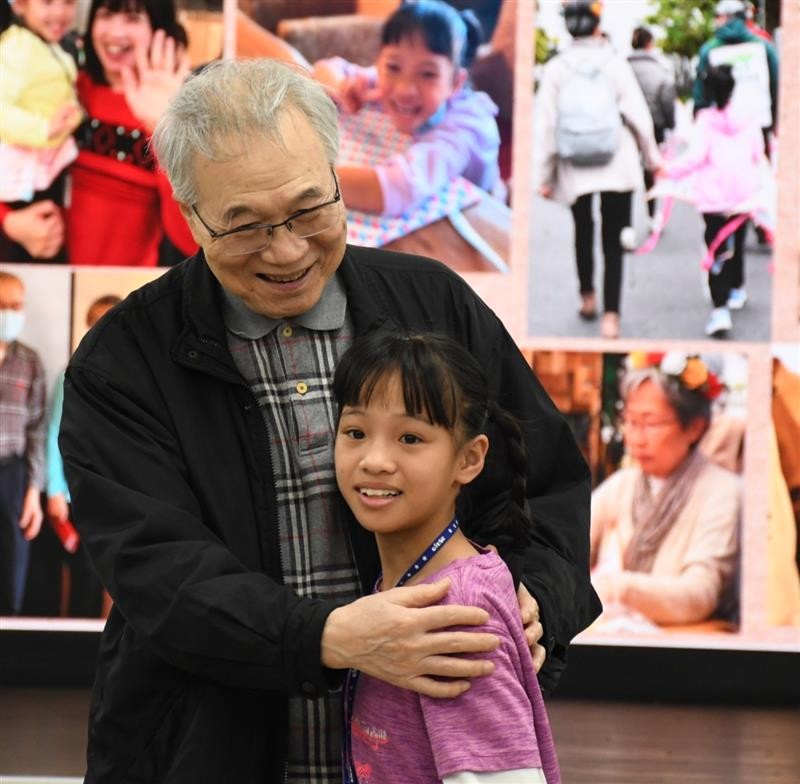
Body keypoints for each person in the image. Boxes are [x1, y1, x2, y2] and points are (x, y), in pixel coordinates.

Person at [59, 58, 598, 783]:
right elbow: (158, 569)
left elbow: (546, 484)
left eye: (310, 210)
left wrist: (539, 600)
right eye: (244, 226)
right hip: (202, 753)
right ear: (189, 215)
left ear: (338, 177)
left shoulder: (432, 305)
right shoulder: (124, 361)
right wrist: (327, 637)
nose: (286, 251)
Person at [334, 330, 560, 783]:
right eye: (356, 432)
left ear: (469, 459)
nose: (374, 460)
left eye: (410, 438)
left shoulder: (459, 613)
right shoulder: (426, 584)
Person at [0, 0, 198, 266]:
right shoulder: (67, 91)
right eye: (105, 15)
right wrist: (9, 221)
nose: (115, 32)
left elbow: (193, 240)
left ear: (158, 27)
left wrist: (166, 132)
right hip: (47, 277)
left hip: (127, 287)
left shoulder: (180, 111)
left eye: (132, 18)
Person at [533, 0, 662, 339]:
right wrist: (653, 159)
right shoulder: (615, 64)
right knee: (613, 239)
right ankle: (611, 318)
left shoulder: (556, 68)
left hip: (575, 164)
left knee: (583, 230)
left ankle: (588, 296)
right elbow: (639, 117)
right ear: (597, 25)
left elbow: (546, 127)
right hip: (616, 161)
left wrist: (544, 176)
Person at [311, 0, 501, 216]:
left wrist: (308, 180)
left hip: (481, 217)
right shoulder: (379, 81)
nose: (404, 90)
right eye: (393, 67)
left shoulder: (465, 127)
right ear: (379, 63)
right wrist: (343, 87)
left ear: (455, 83)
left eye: (428, 74)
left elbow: (398, 188)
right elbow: (325, 68)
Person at [590, 352, 740, 626]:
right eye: (630, 421)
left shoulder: (724, 492)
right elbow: (567, 543)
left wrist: (615, 587)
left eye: (649, 423)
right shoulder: (622, 484)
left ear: (694, 428)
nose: (636, 438)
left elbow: (700, 594)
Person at [663, 65, 767, 338]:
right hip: (743, 194)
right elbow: (758, 153)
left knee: (716, 247)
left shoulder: (706, 121)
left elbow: (695, 157)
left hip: (714, 196)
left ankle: (720, 309)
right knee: (738, 242)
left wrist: (668, 171)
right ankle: (737, 288)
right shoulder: (748, 118)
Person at [44, 293, 120, 617]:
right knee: (85, 576)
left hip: (122, 493)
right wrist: (55, 491)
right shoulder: (71, 373)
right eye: (95, 323)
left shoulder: (141, 378)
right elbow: (53, 434)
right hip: (79, 492)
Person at [0, 0, 82, 263]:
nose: (59, 12)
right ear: (20, 5)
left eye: (68, 2)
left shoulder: (47, 44)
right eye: (47, 2)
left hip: (45, 158)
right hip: (23, 163)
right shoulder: (15, 49)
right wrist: (44, 129)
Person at [0, 270, 46, 615]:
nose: (9, 313)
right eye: (2, 305)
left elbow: (37, 430)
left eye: (15, 305)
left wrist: (33, 491)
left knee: (12, 559)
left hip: (12, 473)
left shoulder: (30, 361)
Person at [693, 0, 779, 154]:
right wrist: (774, 121)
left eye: (717, 17)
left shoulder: (708, 50)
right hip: (759, 124)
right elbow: (776, 87)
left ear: (725, 17)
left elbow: (701, 94)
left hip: (719, 132)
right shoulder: (764, 47)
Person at [627, 25, 675, 226]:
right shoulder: (659, 69)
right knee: (650, 168)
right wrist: (670, 124)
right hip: (654, 124)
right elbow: (667, 99)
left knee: (627, 168)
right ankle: (652, 214)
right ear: (649, 43)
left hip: (627, 125)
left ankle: (625, 223)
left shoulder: (623, 67)